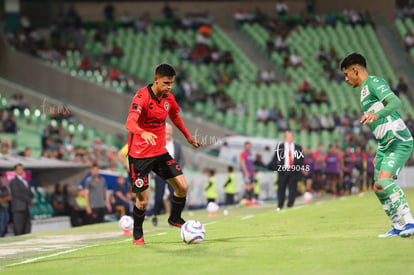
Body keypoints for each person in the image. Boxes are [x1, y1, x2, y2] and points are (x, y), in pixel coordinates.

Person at [125, 63, 203, 245]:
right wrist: (142, 132)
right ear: (156, 80)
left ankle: (174, 218)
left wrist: (188, 136)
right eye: (166, 83)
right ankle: (137, 231)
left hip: (160, 153)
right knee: (143, 201)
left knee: (182, 188)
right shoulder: (141, 97)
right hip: (139, 156)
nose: (169, 87)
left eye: (171, 84)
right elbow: (130, 123)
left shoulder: (169, 98)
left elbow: (175, 115)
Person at [340, 52, 414, 238]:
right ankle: (397, 226)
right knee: (378, 187)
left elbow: (395, 102)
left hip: (398, 139)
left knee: (384, 181)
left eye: (347, 74)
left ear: (355, 70)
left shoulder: (373, 82)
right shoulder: (364, 91)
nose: (346, 78)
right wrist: (379, 150)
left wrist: (376, 115)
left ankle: (410, 222)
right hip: (385, 144)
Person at [151, 122, 184, 227]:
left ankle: (173, 217)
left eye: (169, 131)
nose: (168, 133)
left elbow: (181, 159)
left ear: (172, 131)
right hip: (160, 173)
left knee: (173, 195)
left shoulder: (177, 144)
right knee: (159, 197)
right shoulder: (158, 142)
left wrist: (178, 172)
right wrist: (154, 172)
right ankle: (154, 215)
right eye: (166, 131)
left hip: (173, 173)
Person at [269, 131, 304, 211]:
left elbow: (301, 160)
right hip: (283, 171)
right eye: (288, 137)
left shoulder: (297, 147)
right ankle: (280, 205)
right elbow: (275, 159)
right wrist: (277, 169)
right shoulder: (280, 146)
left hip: (293, 171)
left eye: (291, 137)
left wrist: (299, 169)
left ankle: (290, 204)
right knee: (281, 188)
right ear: (285, 138)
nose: (290, 138)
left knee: (292, 188)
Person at [10, 163, 34, 235]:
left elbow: (29, 192)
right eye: (19, 169)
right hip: (18, 208)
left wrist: (31, 199)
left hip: (26, 207)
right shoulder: (14, 181)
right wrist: (29, 200)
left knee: (27, 227)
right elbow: (18, 194)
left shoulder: (25, 181)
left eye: (22, 169)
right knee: (19, 228)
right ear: (15, 171)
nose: (21, 171)